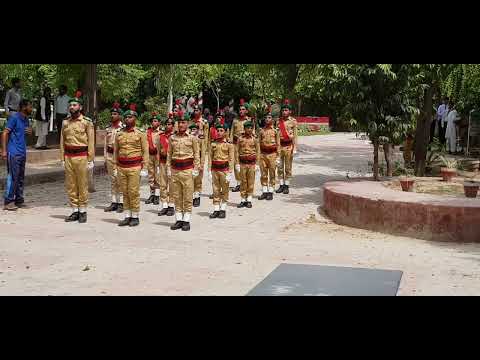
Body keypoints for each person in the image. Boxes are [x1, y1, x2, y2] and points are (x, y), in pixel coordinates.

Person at [60, 91, 95, 223]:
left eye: (74, 105)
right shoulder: (65, 123)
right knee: (71, 185)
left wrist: (90, 159)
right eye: (70, 105)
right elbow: (62, 141)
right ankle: (74, 210)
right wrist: (62, 158)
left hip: (82, 156)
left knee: (82, 184)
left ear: (80, 107)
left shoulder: (87, 122)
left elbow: (91, 141)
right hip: (68, 156)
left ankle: (83, 211)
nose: (72, 107)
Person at [113, 104, 149, 227]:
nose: (128, 119)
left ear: (135, 119)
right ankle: (127, 215)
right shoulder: (119, 133)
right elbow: (115, 152)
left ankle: (135, 216)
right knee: (125, 191)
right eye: (126, 117)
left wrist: (145, 168)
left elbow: (145, 151)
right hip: (122, 167)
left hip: (135, 166)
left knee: (133, 191)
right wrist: (115, 167)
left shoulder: (140, 133)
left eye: (130, 117)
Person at [167, 111, 200, 231]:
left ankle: (186, 219)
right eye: (179, 122)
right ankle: (178, 219)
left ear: (188, 123)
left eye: (183, 122)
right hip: (175, 170)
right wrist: (168, 168)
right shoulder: (172, 138)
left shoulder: (192, 138)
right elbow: (169, 154)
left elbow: (197, 155)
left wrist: (196, 169)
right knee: (176, 195)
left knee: (187, 195)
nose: (181, 124)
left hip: (187, 170)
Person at [2, 99, 33, 211]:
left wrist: (29, 132)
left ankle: (19, 199)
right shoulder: (14, 117)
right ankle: (8, 201)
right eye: (30, 106)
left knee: (20, 177)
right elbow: (5, 133)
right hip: (13, 152)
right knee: (13, 177)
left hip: (22, 152)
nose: (31, 108)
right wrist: (4, 150)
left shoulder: (26, 120)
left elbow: (24, 134)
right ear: (24, 107)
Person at [208, 122, 234, 219]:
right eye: (218, 130)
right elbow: (210, 158)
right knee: (215, 190)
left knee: (225, 190)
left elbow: (231, 159)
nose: (219, 132)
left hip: (224, 170)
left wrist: (230, 172)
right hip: (215, 169)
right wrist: (209, 171)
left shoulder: (229, 145)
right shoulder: (213, 143)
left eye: (221, 131)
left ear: (226, 132)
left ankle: (223, 209)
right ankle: (216, 209)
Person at [103, 102, 124, 213]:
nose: (113, 116)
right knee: (112, 180)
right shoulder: (108, 128)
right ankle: (114, 202)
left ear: (120, 116)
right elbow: (106, 144)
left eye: (115, 114)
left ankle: (121, 203)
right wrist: (105, 158)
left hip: (120, 156)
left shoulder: (123, 128)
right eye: (112, 114)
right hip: (110, 155)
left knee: (119, 180)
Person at [229, 99, 253, 192]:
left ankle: (246, 182)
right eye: (240, 109)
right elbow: (231, 132)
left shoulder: (249, 120)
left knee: (246, 163)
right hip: (235, 144)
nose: (241, 111)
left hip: (245, 144)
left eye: (243, 109)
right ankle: (239, 183)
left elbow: (253, 133)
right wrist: (230, 142)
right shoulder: (235, 120)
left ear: (246, 111)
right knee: (236, 164)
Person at [235, 121, 260, 209]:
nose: (249, 129)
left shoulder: (255, 138)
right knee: (243, 182)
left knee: (250, 182)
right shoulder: (240, 138)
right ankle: (242, 199)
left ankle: (249, 199)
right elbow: (237, 151)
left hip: (252, 163)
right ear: (244, 129)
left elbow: (258, 151)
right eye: (247, 128)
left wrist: (257, 164)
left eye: (251, 128)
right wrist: (237, 163)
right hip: (242, 163)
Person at [276, 99, 298, 195]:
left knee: (288, 168)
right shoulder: (278, 121)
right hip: (280, 146)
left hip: (289, 146)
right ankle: (281, 185)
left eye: (286, 110)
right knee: (280, 167)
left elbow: (295, 136)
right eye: (283, 110)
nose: (284, 112)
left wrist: (295, 148)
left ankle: (286, 186)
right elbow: (276, 135)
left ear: (290, 111)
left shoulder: (293, 121)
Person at [258, 112, 280, 201]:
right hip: (263, 154)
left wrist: (278, 157)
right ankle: (264, 191)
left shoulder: (275, 131)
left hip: (272, 155)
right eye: (266, 117)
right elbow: (258, 144)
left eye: (269, 117)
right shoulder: (261, 131)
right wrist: (258, 155)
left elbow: (278, 144)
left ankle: (270, 191)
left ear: (272, 119)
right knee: (263, 174)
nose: (267, 119)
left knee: (272, 173)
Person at [190, 104, 209, 207]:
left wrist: (205, 152)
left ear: (201, 112)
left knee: (198, 175)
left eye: (197, 110)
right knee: (190, 174)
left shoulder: (205, 122)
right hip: (191, 151)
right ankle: (191, 194)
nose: (195, 112)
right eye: (195, 110)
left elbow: (206, 138)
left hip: (201, 149)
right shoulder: (191, 122)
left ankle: (197, 195)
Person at [156, 117, 175, 216]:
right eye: (166, 124)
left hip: (172, 164)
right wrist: (158, 165)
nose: (168, 126)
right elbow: (158, 152)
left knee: (172, 185)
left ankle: (171, 205)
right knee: (163, 184)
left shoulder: (175, 137)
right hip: (163, 163)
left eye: (170, 124)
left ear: (173, 125)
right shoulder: (160, 136)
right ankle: (164, 205)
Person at [145, 113, 162, 205]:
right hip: (149, 156)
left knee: (158, 175)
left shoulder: (161, 133)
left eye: (155, 121)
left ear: (159, 123)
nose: (153, 123)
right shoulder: (148, 132)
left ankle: (157, 195)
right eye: (152, 121)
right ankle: (151, 194)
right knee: (151, 175)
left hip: (158, 156)